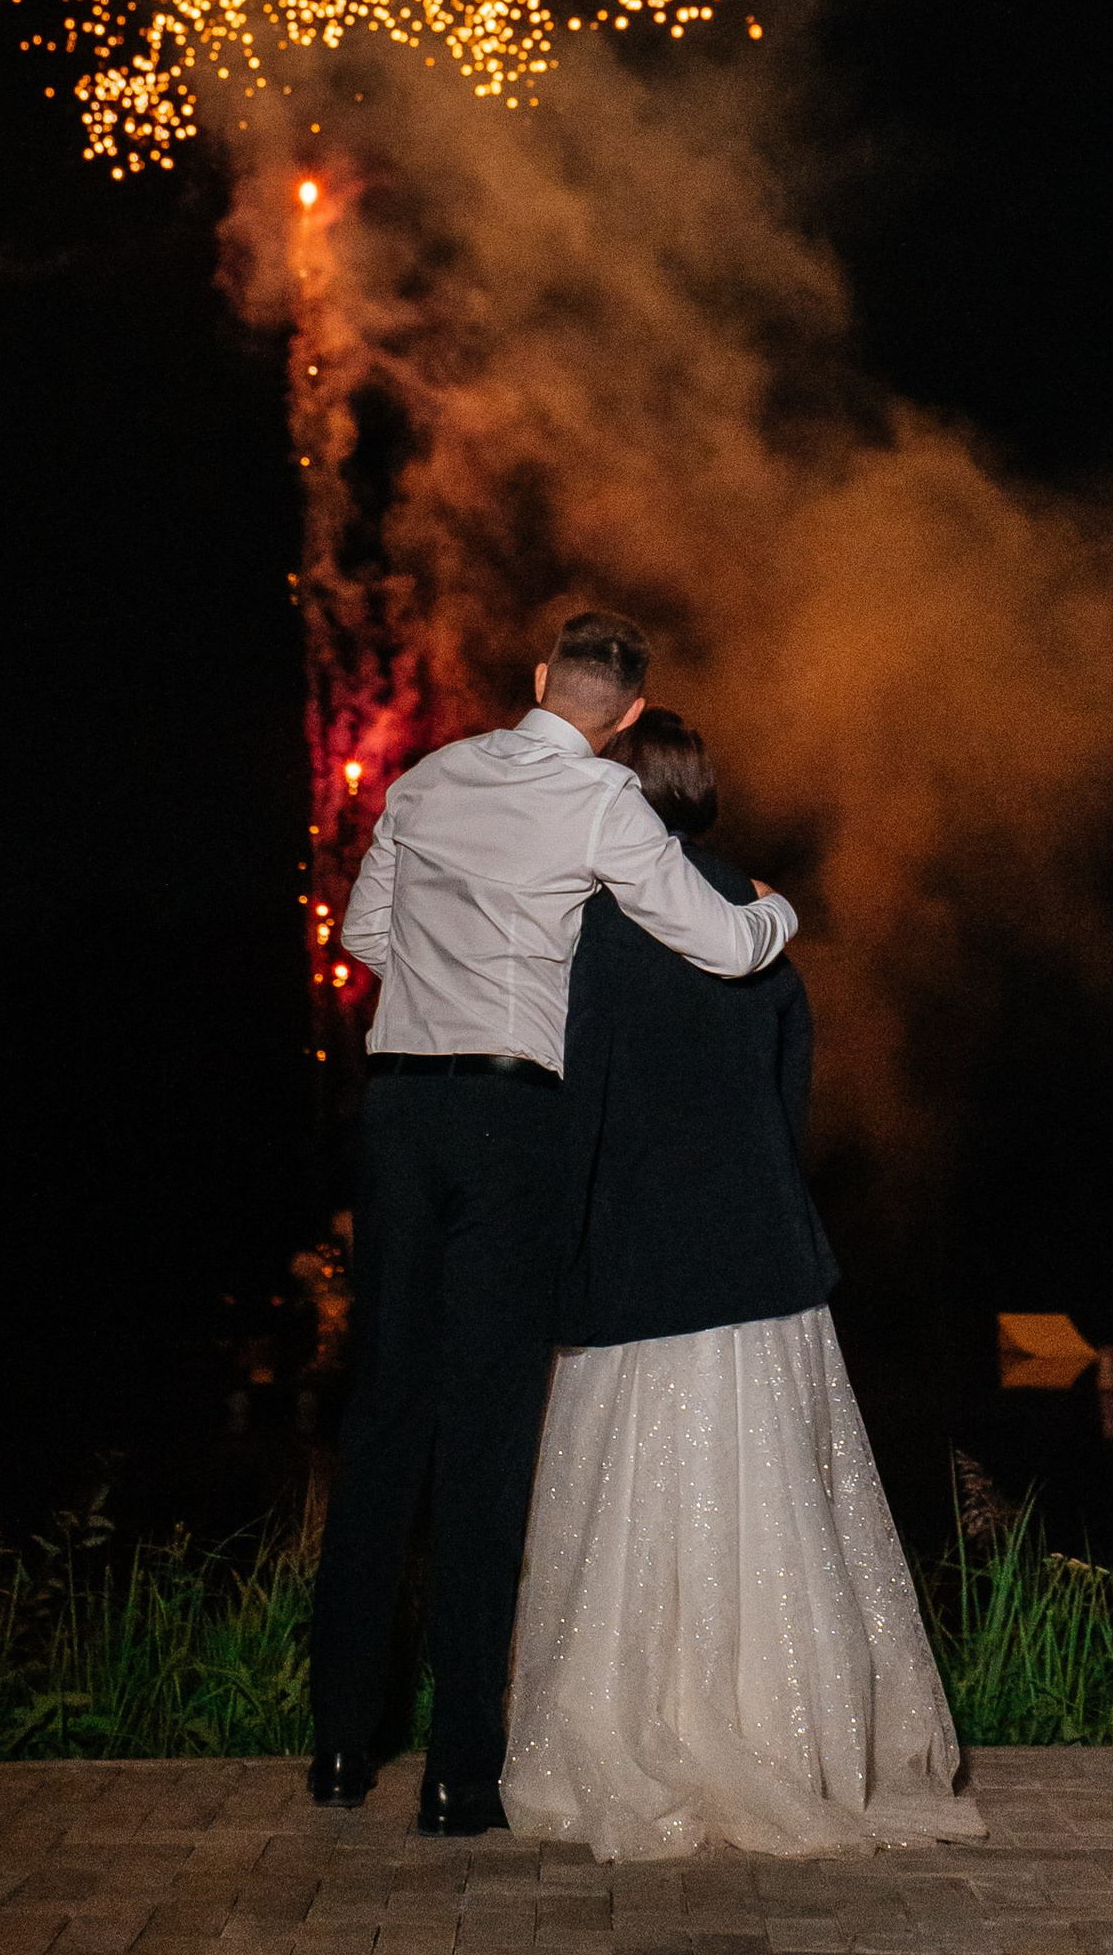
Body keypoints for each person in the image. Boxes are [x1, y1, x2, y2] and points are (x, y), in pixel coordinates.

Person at [311, 614, 798, 1837]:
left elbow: (369, 933)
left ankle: (334, 1743)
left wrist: (445, 962)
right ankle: (457, 1772)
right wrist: (780, 911)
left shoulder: (425, 778)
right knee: (486, 1428)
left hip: (400, 1107)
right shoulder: (603, 802)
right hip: (512, 1115)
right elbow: (723, 945)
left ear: (536, 680)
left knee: (381, 1414)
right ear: (626, 714)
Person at [501, 709, 983, 1860]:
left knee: (634, 1504)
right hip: (761, 1255)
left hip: (636, 1261)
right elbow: (787, 1098)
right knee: (776, 1503)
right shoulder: (754, 922)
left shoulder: (594, 927)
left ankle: (648, 1723)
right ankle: (790, 1735)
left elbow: (575, 1110)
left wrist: (552, 1249)